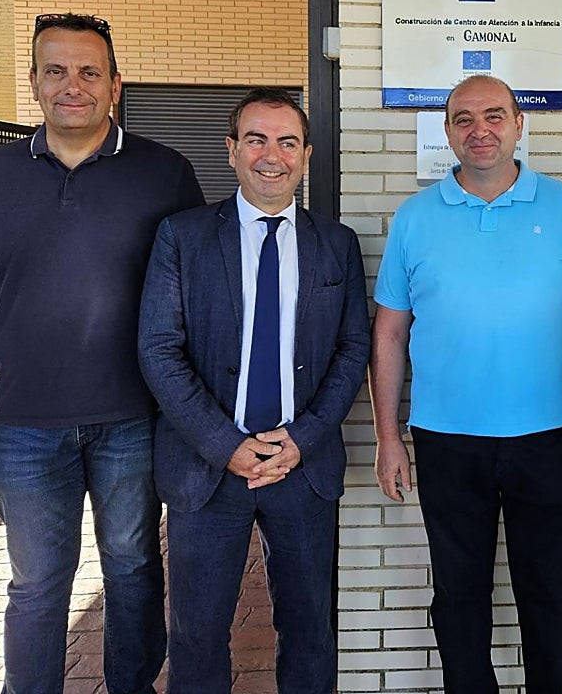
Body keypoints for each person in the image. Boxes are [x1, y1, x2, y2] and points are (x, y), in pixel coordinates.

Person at [0, 13, 204, 694]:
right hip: (25, 421)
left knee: (132, 566)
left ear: (115, 85)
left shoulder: (166, 173)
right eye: (55, 70)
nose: (73, 86)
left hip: (132, 417)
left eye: (90, 72)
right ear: (33, 81)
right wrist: (17, 348)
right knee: (36, 582)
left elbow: (191, 293)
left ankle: (131, 686)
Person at [369, 74, 562, 694]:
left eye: (495, 115)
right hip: (447, 438)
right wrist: (388, 437)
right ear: (447, 130)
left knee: (550, 590)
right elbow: (390, 334)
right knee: (457, 591)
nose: (481, 130)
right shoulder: (415, 218)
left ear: (519, 124)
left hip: (550, 434)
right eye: (464, 118)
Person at [137, 88, 369, 693]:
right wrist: (227, 445)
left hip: (303, 467)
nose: (273, 155)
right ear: (232, 151)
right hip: (208, 469)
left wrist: (302, 438)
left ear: (307, 154)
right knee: (196, 634)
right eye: (257, 139)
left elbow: (352, 351)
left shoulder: (337, 243)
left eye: (287, 141)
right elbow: (159, 350)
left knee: (310, 629)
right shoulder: (181, 238)